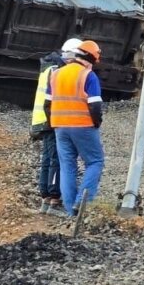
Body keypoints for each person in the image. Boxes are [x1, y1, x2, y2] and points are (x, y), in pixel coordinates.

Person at [44, 40, 105, 216]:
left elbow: (47, 104)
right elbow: (95, 106)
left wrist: (54, 122)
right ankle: (82, 202)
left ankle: (71, 212)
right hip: (82, 125)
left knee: (67, 167)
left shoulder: (56, 74)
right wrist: (96, 122)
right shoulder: (88, 75)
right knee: (95, 161)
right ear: (90, 59)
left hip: (59, 126)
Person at [30, 50, 65, 216]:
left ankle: (45, 199)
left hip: (41, 121)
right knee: (55, 160)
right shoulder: (56, 71)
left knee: (47, 160)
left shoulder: (46, 69)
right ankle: (54, 200)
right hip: (51, 121)